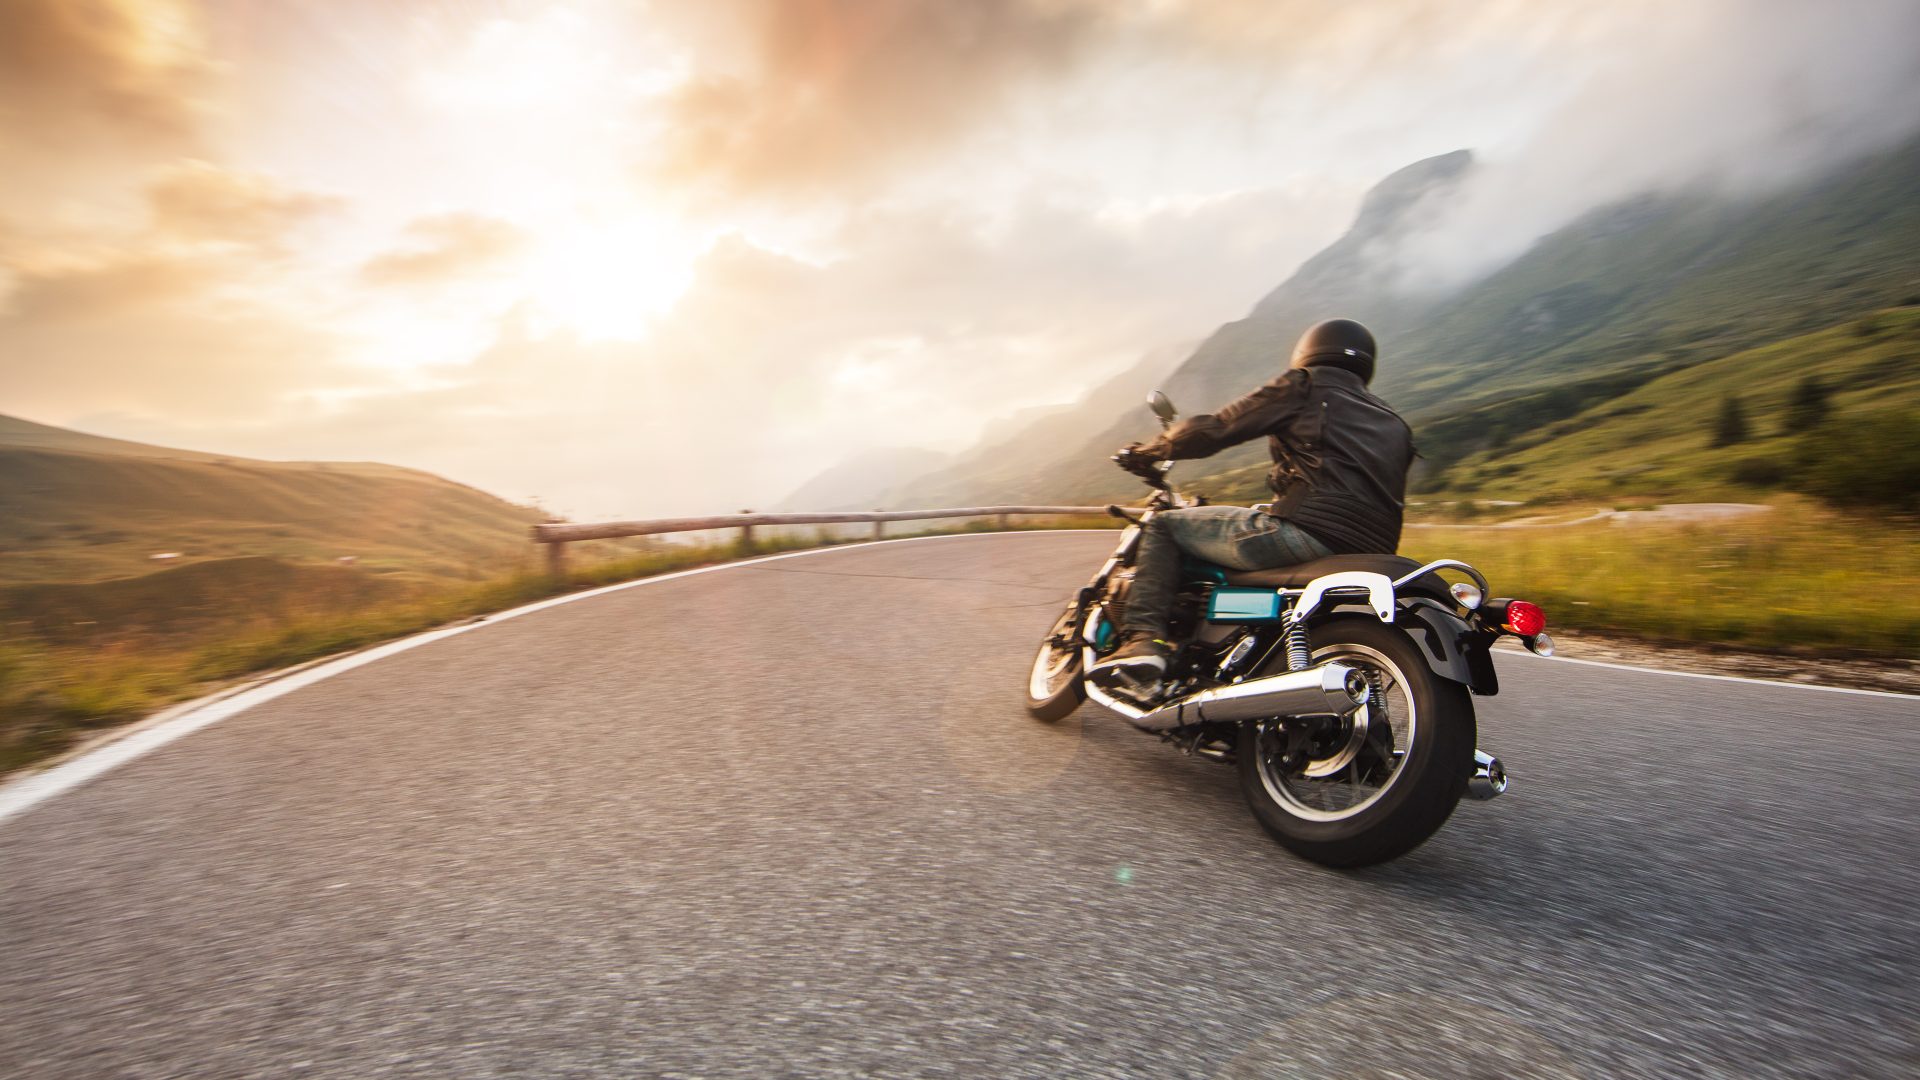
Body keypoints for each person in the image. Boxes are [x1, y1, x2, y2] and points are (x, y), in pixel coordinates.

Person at [1089, 318, 1415, 687]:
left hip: (1307, 532)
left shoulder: (1305, 386)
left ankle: (1145, 640)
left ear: (1308, 352)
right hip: (1371, 550)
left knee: (1165, 526)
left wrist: (1152, 449)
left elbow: (1216, 428)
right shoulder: (1393, 420)